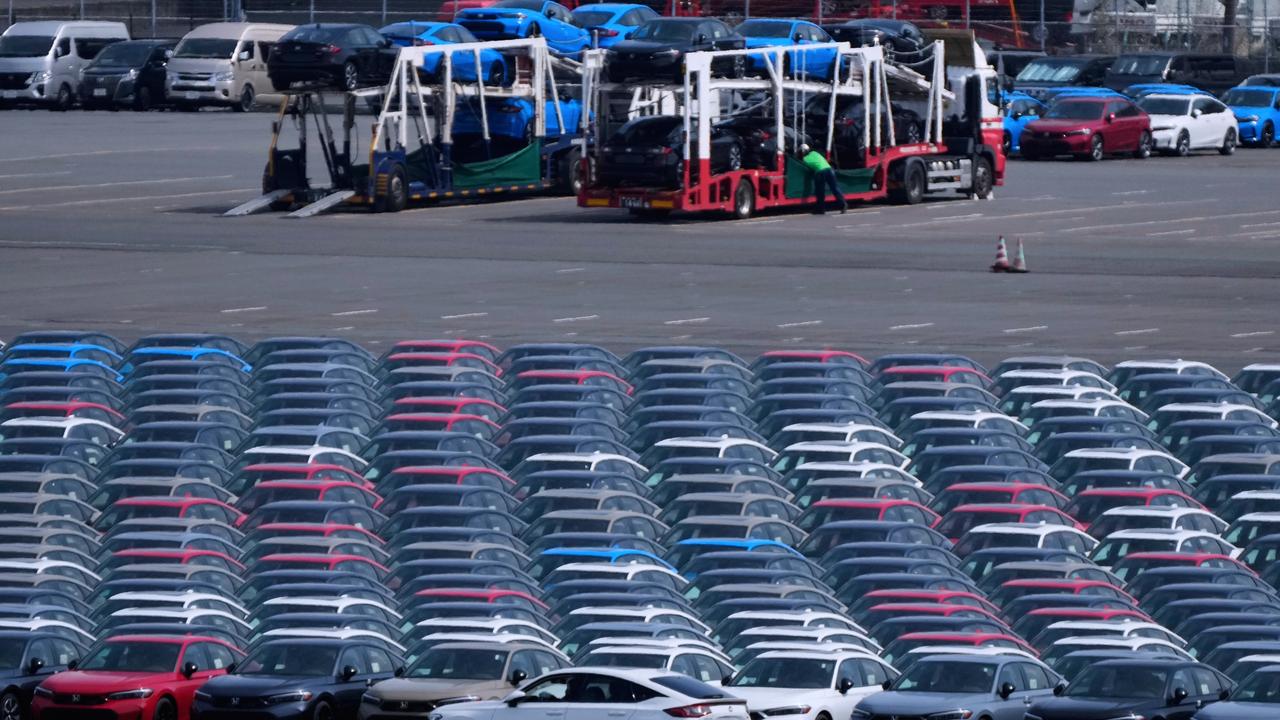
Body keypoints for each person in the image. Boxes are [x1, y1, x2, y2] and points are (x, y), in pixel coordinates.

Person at [797, 144, 847, 214]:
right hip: (829, 169)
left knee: (820, 192)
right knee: (835, 188)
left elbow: (806, 168)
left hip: (820, 172)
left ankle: (820, 209)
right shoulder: (815, 153)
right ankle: (843, 205)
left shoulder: (805, 159)